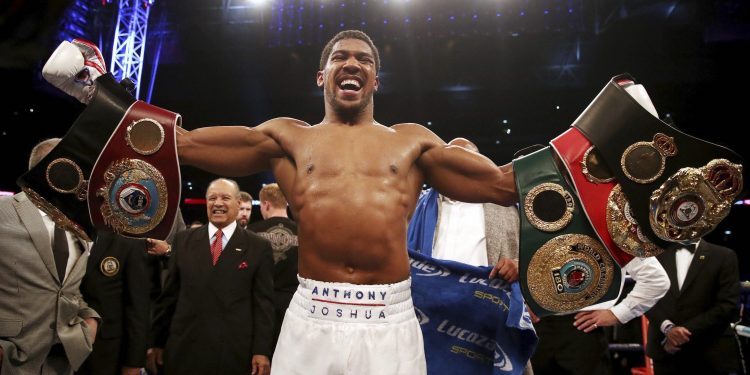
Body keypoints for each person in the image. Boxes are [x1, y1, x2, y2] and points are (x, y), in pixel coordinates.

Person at [174, 29, 517, 374]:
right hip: (311, 317)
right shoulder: (288, 139)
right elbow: (183, 145)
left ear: (375, 81)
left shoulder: (413, 143)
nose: (352, 63)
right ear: (321, 76)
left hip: (390, 320)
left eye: (363, 59)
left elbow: (501, 184)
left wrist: (573, 150)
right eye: (340, 57)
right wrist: (127, 123)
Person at [147, 178, 274, 375]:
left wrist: (261, 351)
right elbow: (169, 297)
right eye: (212, 198)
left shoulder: (259, 247)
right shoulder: (183, 240)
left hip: (233, 352)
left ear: (238, 203)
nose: (218, 203)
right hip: (184, 349)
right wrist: (156, 342)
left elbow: (263, 305)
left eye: (225, 198)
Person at [0, 138, 100, 375]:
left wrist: (89, 320)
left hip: (61, 363)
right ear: (48, 168)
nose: (85, 176)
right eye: (76, 166)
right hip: (10, 359)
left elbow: (66, 289)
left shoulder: (80, 228)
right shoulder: (3, 213)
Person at [530, 256, 670, 375]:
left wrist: (617, 313)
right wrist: (519, 301)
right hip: (529, 326)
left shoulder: (613, 224)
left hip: (582, 329)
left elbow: (656, 279)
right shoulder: (526, 224)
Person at [408, 137, 520, 280]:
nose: (460, 169)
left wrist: (519, 265)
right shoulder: (415, 205)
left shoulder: (508, 206)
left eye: (467, 162)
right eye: (452, 163)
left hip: (490, 296)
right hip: (427, 295)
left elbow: (540, 252)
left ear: (482, 167)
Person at [645, 239, 740, 375]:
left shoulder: (724, 255)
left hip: (709, 351)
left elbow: (727, 305)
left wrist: (681, 333)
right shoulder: (652, 255)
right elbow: (642, 297)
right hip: (665, 352)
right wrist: (668, 328)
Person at [76, 232, 150, 375]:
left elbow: (138, 307)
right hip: (55, 349)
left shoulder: (129, 239)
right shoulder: (57, 230)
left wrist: (133, 362)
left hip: (106, 353)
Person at [247, 183, 299, 355]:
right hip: (294, 307)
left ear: (266, 204)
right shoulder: (303, 232)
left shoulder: (251, 232)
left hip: (257, 305)